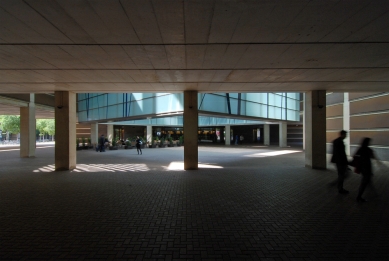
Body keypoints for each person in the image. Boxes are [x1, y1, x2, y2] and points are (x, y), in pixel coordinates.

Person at [354, 138, 375, 202]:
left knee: (366, 180)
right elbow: (372, 156)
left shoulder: (361, 148)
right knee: (365, 182)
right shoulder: (368, 150)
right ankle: (359, 196)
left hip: (362, 167)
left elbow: (355, 155)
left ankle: (373, 192)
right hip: (367, 167)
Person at [331, 130, 349, 194]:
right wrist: (346, 163)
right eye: (345, 135)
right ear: (342, 134)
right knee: (342, 175)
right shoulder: (340, 142)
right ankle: (339, 187)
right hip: (341, 162)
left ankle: (338, 186)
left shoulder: (336, 141)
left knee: (341, 175)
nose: (346, 136)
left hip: (338, 161)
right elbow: (342, 154)